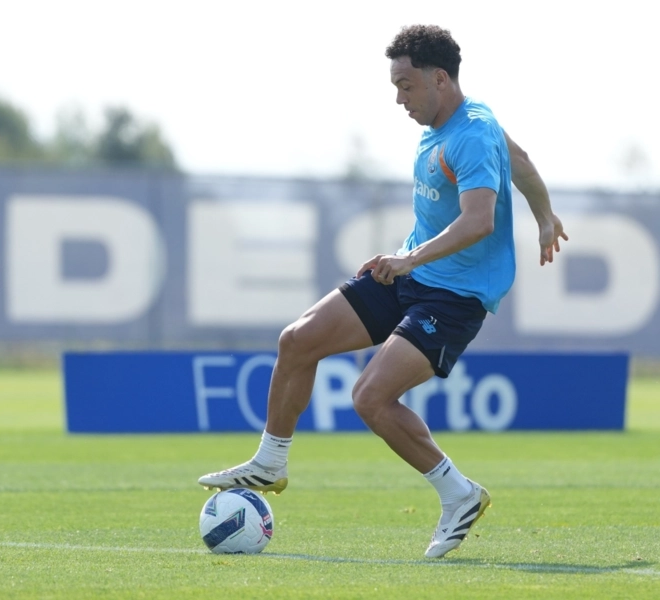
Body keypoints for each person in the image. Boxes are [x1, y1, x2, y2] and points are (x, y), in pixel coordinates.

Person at [198, 24, 568, 560]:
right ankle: (271, 462)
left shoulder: (470, 132)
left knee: (370, 397)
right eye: (395, 86)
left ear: (440, 78)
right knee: (297, 340)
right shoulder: (451, 124)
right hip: (411, 275)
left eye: (406, 85)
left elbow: (479, 221)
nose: (399, 98)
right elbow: (523, 161)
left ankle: (459, 494)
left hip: (454, 295)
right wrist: (544, 215)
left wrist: (410, 257)